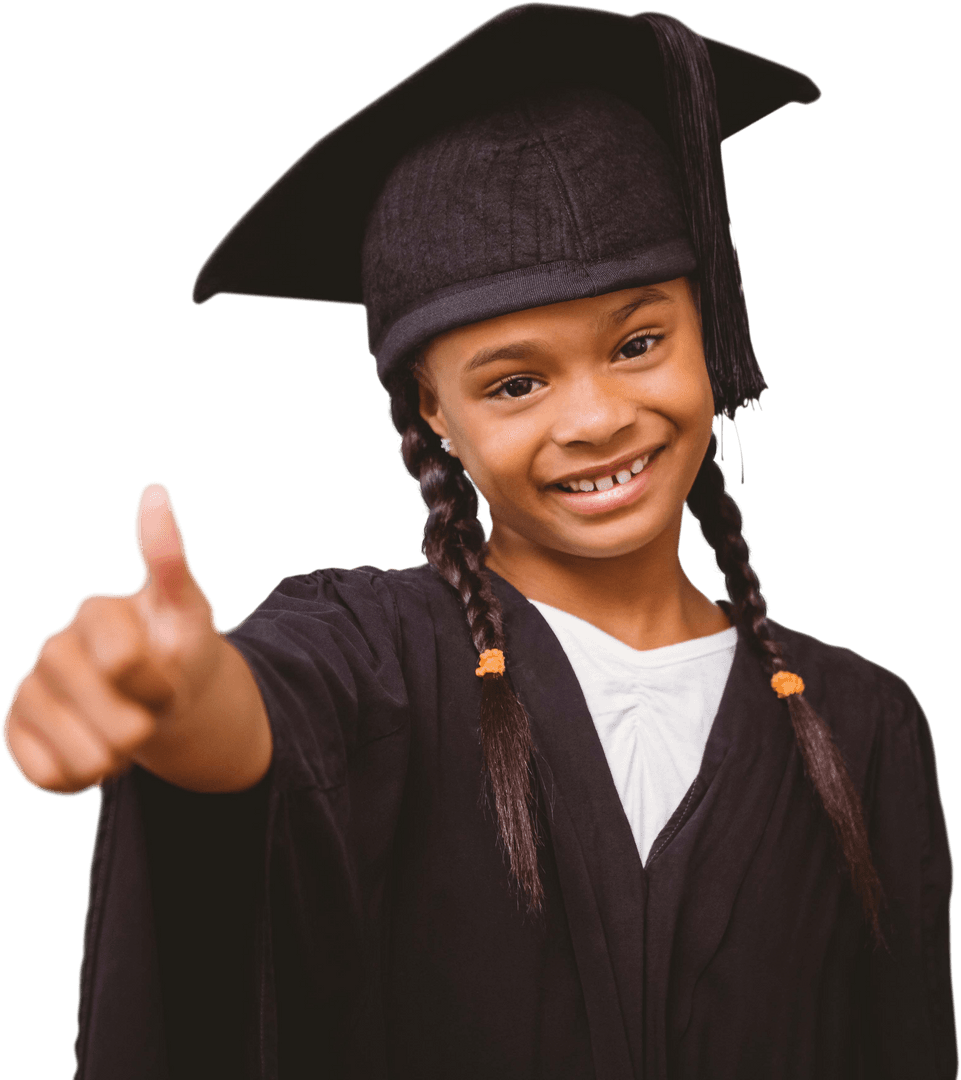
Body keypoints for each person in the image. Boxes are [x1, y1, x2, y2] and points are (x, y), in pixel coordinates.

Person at [3, 5, 956, 1078]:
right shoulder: (375, 656)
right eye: (515, 382)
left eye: (639, 341)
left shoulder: (862, 726)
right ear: (434, 415)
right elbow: (263, 723)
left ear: (711, 328)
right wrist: (174, 706)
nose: (594, 417)